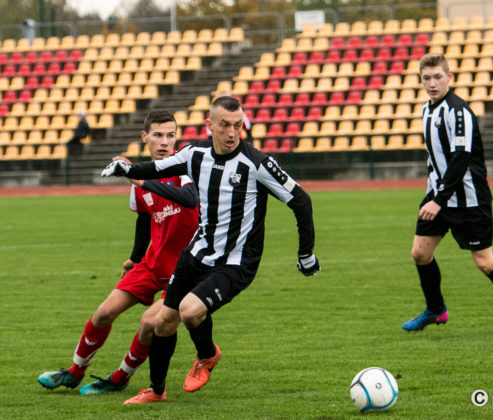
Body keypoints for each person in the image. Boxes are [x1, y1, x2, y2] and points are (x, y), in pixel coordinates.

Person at [101, 96, 320, 404]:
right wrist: (126, 168)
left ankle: (207, 355)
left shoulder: (257, 164)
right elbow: (156, 168)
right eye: (225, 125)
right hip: (198, 253)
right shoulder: (194, 154)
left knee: (190, 311)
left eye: (237, 125)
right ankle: (156, 391)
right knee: (162, 321)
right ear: (210, 125)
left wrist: (306, 254)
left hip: (236, 262)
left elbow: (301, 200)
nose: (232, 132)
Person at [38, 110, 200, 394]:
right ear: (145, 137)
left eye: (170, 135)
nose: (164, 142)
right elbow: (144, 220)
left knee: (149, 323)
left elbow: (190, 199)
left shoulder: (185, 168)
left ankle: (120, 378)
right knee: (103, 313)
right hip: (153, 264)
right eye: (158, 135)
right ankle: (74, 372)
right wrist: (134, 259)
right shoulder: (139, 179)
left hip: (186, 269)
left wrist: (140, 180)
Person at [401, 53, 493, 337]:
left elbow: (461, 159)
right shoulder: (426, 110)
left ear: (449, 77)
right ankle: (436, 310)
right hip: (438, 195)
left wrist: (438, 200)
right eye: (427, 78)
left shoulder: (458, 112)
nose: (432, 83)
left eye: (438, 77)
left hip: (469, 200)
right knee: (420, 253)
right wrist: (434, 193)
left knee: (484, 262)